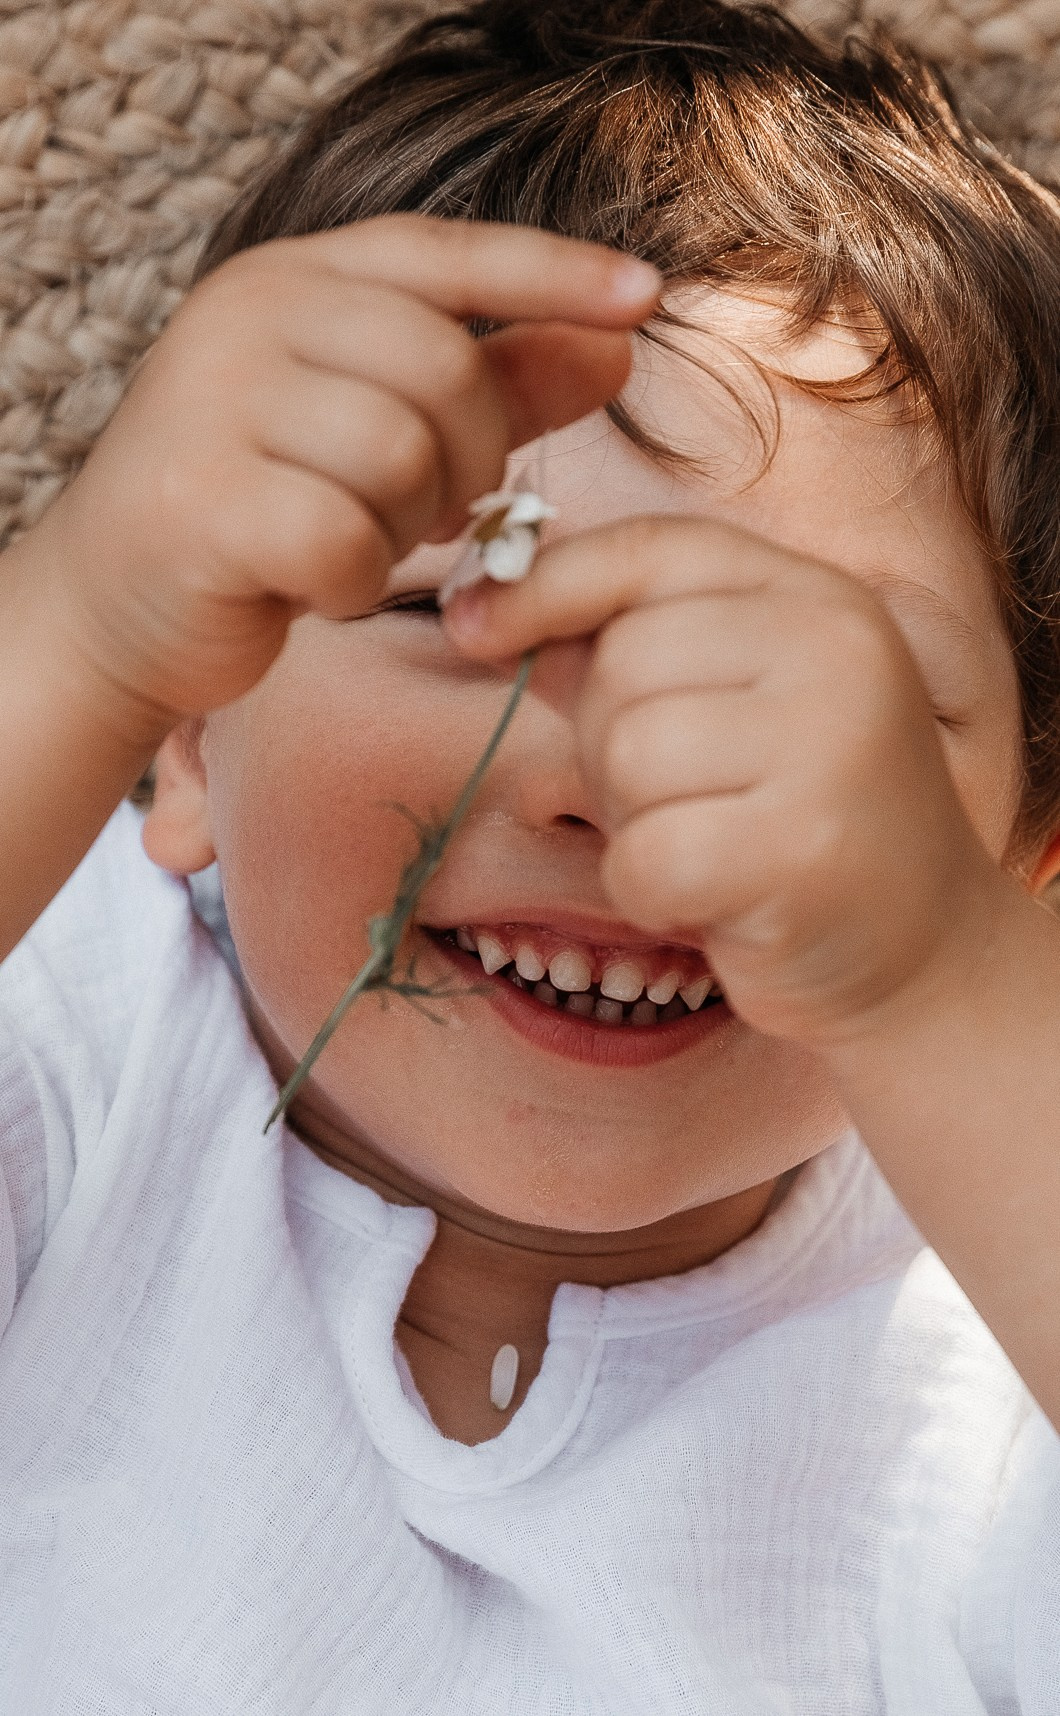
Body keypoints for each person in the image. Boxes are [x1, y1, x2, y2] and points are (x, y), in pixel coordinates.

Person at [2, 0, 1060, 1706]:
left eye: (811, 693)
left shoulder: (991, 1337)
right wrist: (73, 628)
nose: (618, 782)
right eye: (449, 610)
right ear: (188, 741)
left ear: (1034, 861)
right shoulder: (84, 1062)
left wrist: (939, 988)